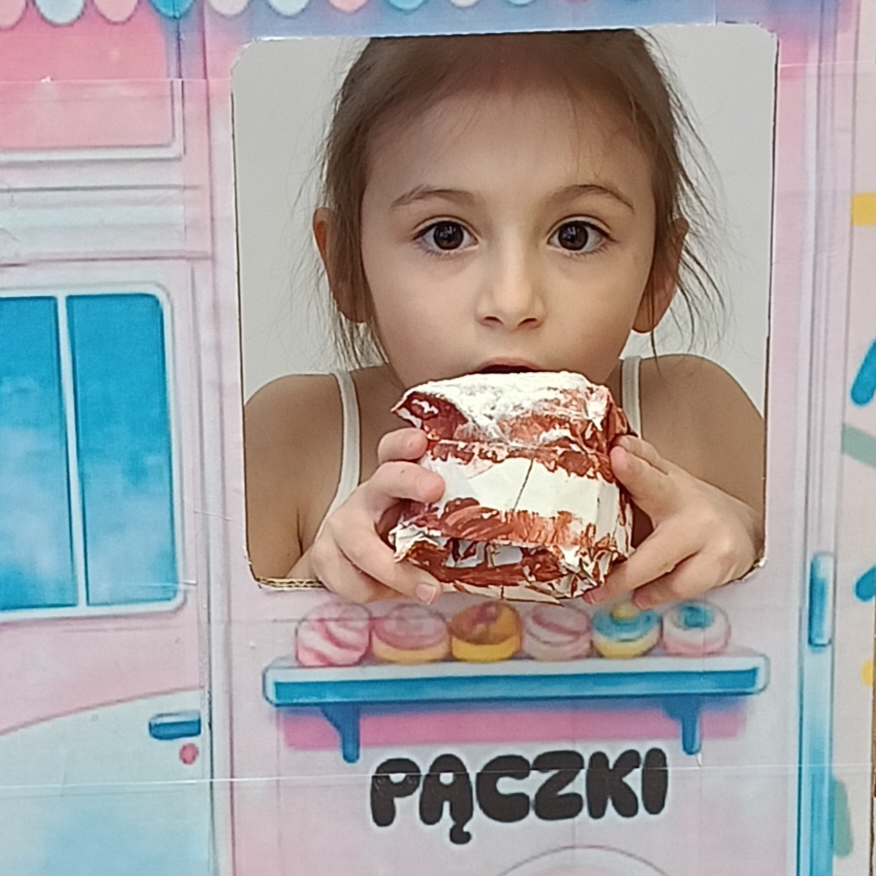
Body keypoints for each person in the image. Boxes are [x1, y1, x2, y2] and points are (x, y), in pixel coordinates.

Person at [245, 31, 765, 607]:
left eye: (576, 235)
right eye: (446, 234)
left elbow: (809, 618)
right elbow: (220, 655)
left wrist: (746, 543)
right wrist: (323, 582)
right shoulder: (293, 443)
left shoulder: (700, 422)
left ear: (658, 273)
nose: (513, 303)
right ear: (348, 267)